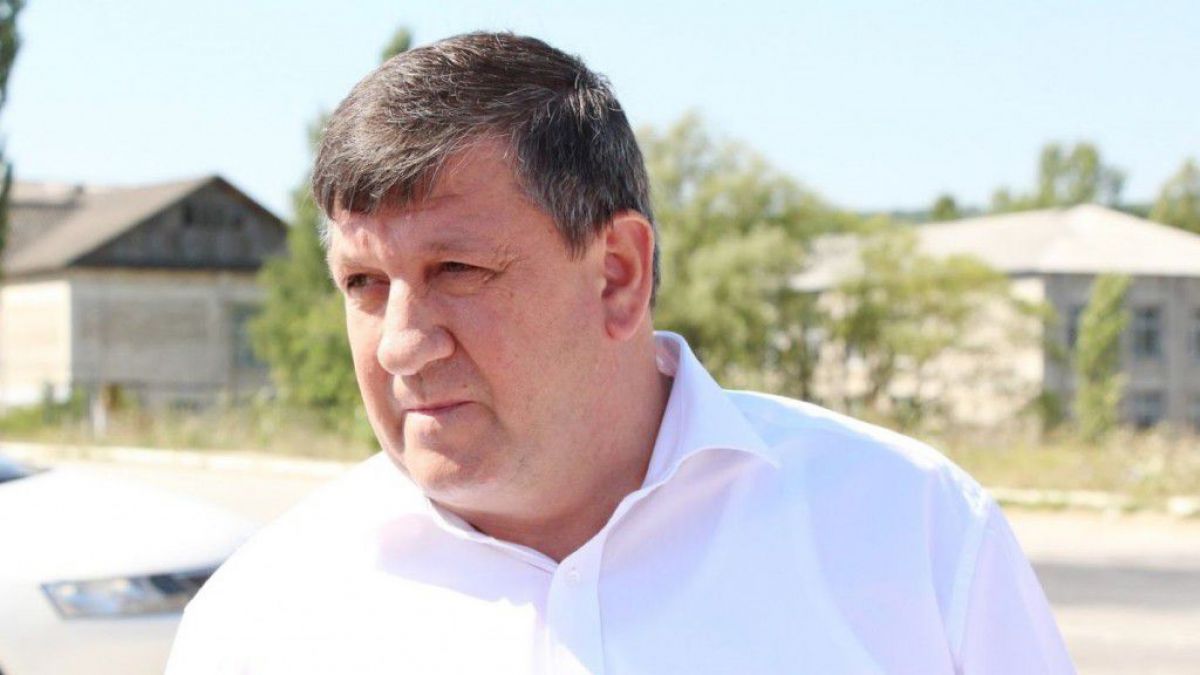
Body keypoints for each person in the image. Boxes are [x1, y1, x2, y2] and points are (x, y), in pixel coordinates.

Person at [166, 32, 1075, 674]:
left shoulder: (912, 532)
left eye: (457, 269)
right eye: (364, 283)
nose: (402, 342)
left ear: (616, 275)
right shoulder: (261, 618)